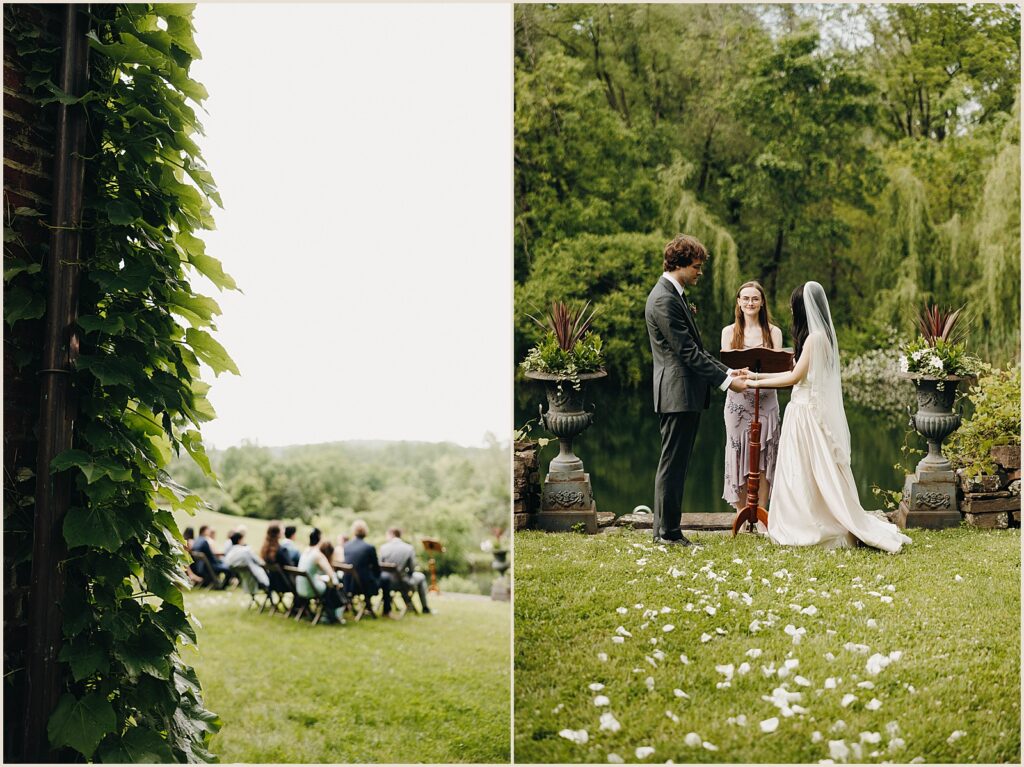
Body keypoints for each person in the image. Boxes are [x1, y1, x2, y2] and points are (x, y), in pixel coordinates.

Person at [748, 281, 912, 553]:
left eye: (793, 306)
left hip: (804, 414)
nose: (790, 310)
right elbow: (796, 373)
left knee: (804, 472)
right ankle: (805, 520)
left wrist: (754, 384)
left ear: (802, 308)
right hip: (803, 410)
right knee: (803, 471)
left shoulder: (815, 338)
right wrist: (755, 375)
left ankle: (810, 525)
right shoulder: (820, 336)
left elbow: (794, 377)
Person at [644, 234, 747, 546]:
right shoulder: (663, 299)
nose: (700, 272)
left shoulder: (673, 294)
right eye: (696, 266)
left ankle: (664, 531)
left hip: (682, 393)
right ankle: (668, 534)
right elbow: (686, 353)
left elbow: (695, 350)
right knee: (673, 465)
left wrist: (729, 370)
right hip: (677, 394)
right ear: (679, 265)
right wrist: (728, 382)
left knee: (675, 464)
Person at [721, 280, 784, 514]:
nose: (750, 302)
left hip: (767, 399)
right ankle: (741, 512)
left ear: (762, 302)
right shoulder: (728, 332)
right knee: (737, 451)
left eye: (755, 298)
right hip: (737, 401)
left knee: (765, 453)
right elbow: (725, 369)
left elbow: (778, 368)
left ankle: (762, 511)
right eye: (745, 298)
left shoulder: (773, 332)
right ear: (739, 302)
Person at [379, 527, 431, 615]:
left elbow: (380, 566)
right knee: (421, 577)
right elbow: (412, 569)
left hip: (385, 583)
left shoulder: (383, 548)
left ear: (392, 534)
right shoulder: (408, 548)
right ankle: (425, 608)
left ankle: (408, 603)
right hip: (403, 582)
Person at [296, 539, 346, 624]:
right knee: (334, 588)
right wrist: (336, 584)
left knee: (329, 586)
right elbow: (332, 575)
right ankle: (334, 616)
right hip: (310, 590)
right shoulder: (318, 555)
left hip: (300, 588)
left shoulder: (307, 552)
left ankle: (329, 615)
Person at [342, 520, 381, 605]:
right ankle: (386, 610)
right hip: (363, 585)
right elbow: (376, 568)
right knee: (385, 580)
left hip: (348, 584)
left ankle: (367, 605)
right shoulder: (369, 548)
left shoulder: (346, 546)